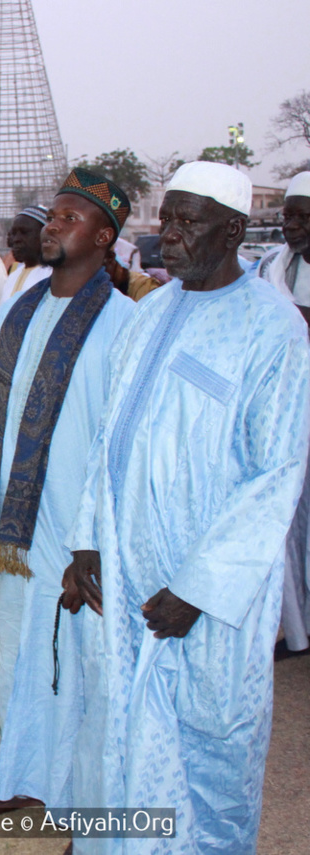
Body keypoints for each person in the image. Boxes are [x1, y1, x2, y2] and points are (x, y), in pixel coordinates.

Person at [63, 162, 310, 853]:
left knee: (207, 741)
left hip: (205, 592)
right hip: (129, 568)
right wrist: (87, 541)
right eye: (165, 219)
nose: (167, 235)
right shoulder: (149, 314)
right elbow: (110, 433)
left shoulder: (274, 330)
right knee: (119, 724)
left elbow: (274, 473)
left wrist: (200, 589)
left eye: (188, 222)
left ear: (233, 230)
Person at [0, 170, 136, 814]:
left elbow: (119, 447)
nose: (52, 225)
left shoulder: (124, 323)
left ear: (104, 237)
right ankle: (26, 780)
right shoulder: (17, 311)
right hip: (12, 530)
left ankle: (87, 806)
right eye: (52, 215)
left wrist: (92, 543)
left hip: (77, 534)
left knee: (80, 669)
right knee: (22, 657)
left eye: (69, 218)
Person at [255, 172, 310, 658]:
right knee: (289, 524)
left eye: (301, 215)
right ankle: (298, 630)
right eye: (288, 215)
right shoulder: (271, 268)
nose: (291, 224)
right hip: (287, 413)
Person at [0, 206, 52, 302]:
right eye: (14, 233)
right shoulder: (13, 276)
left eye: (24, 232)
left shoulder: (53, 276)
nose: (16, 239)